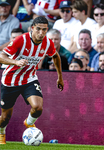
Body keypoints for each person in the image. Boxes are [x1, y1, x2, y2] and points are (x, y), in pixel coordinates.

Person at [0, 16, 64, 144]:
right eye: (38, 29)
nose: (41, 33)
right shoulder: (21, 40)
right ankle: (1, 132)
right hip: (10, 80)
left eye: (44, 30)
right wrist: (16, 62)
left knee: (38, 107)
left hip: (29, 78)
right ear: (32, 28)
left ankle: (29, 123)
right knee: (5, 117)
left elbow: (55, 56)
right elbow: (1, 56)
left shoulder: (48, 43)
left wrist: (60, 77)